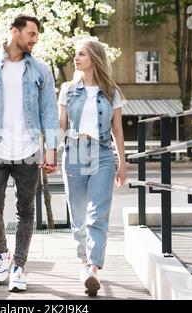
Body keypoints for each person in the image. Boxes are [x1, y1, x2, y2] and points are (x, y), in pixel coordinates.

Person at [0, 14, 59, 292]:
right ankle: (2, 254)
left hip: (29, 150)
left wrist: (51, 149)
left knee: (26, 212)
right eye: (31, 34)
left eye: (37, 36)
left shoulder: (41, 70)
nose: (34, 40)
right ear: (14, 32)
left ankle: (18, 267)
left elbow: (50, 112)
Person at [58, 39, 127, 297]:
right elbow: (61, 125)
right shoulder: (68, 89)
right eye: (75, 54)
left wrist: (123, 162)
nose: (76, 58)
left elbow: (117, 130)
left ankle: (93, 268)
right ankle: (83, 261)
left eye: (82, 54)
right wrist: (50, 152)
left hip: (102, 154)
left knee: (98, 213)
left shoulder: (112, 92)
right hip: (73, 152)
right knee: (78, 215)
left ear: (95, 58)